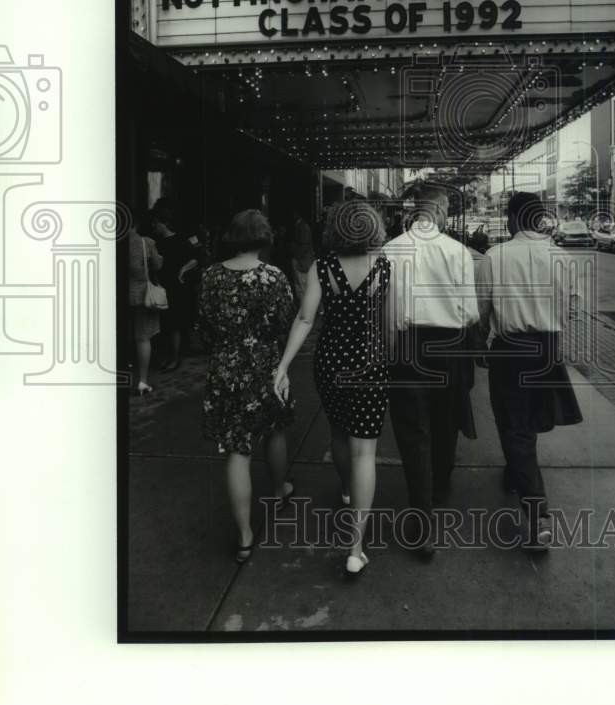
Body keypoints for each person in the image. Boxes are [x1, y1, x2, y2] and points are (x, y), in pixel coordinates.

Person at [274, 200, 391, 576]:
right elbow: (394, 321)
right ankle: (356, 548)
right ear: (373, 227)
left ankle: (345, 489)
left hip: (331, 362)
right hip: (371, 363)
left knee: (339, 431)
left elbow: (306, 318)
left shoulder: (321, 267)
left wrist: (283, 364)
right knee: (366, 453)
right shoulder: (386, 266)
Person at [476, 191, 583, 550]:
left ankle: (538, 518)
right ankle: (516, 472)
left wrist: (479, 346)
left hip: (511, 351)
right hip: (547, 349)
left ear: (512, 219)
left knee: (514, 425)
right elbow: (571, 311)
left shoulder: (495, 257)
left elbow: (483, 310)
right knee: (529, 419)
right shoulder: (563, 258)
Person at [383, 184, 480, 559]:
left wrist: (392, 351)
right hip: (450, 346)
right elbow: (470, 312)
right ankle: (440, 487)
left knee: (413, 430)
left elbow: (388, 313)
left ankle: (421, 520)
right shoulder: (458, 251)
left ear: (415, 211)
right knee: (446, 419)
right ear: (440, 213)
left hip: (409, 348)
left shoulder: (391, 250)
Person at [199, 210, 296, 563]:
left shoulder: (210, 276)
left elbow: (204, 326)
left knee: (236, 448)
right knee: (275, 430)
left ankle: (243, 535)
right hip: (266, 365)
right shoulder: (273, 277)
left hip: (226, 366)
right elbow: (287, 323)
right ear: (265, 238)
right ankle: (279, 489)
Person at [150, 205, 200, 370]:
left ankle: (175, 358)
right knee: (166, 324)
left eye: (156, 223)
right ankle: (169, 356)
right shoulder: (156, 242)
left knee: (175, 324)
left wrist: (182, 271)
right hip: (163, 287)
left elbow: (195, 259)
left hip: (177, 288)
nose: (154, 225)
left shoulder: (180, 240)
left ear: (164, 223)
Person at [127, 217, 164, 395]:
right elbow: (157, 265)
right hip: (142, 295)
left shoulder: (113, 242)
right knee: (142, 337)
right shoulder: (145, 243)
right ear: (136, 223)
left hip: (119, 295)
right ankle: (142, 381)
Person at [288, 209, 315, 303]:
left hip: (302, 261)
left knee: (303, 286)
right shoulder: (300, 225)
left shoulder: (303, 226)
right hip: (300, 259)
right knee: (300, 286)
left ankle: (306, 308)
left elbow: (305, 245)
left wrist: (297, 257)